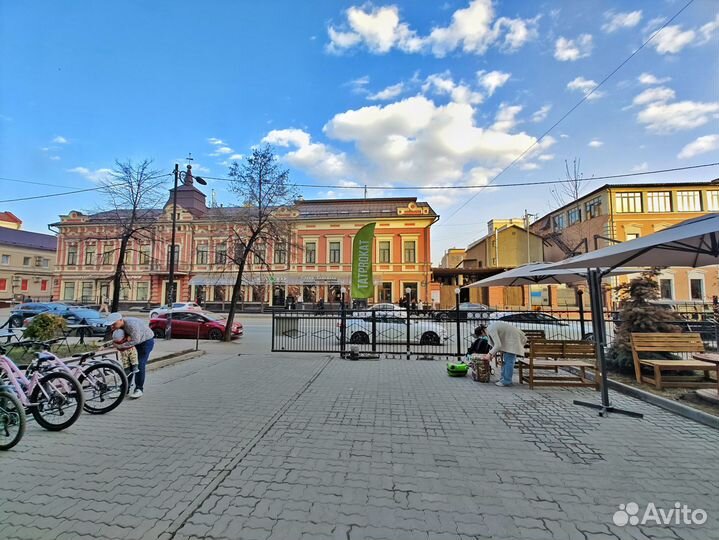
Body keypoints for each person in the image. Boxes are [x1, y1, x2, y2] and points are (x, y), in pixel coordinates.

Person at [107, 313, 154, 399]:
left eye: (114, 324)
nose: (112, 326)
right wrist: (110, 344)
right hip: (133, 343)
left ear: (121, 320)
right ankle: (124, 390)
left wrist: (120, 346)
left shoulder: (132, 325)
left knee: (139, 364)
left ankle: (139, 389)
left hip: (145, 342)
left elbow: (136, 340)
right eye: (111, 324)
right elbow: (119, 339)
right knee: (128, 366)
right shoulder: (118, 327)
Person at [476, 322, 527, 387]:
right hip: (510, 339)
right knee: (506, 361)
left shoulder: (491, 330)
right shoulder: (490, 328)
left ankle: (506, 381)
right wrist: (492, 354)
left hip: (513, 340)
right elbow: (496, 344)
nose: (484, 337)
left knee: (509, 361)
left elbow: (498, 345)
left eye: (482, 335)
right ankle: (503, 379)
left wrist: (489, 354)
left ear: (482, 331)